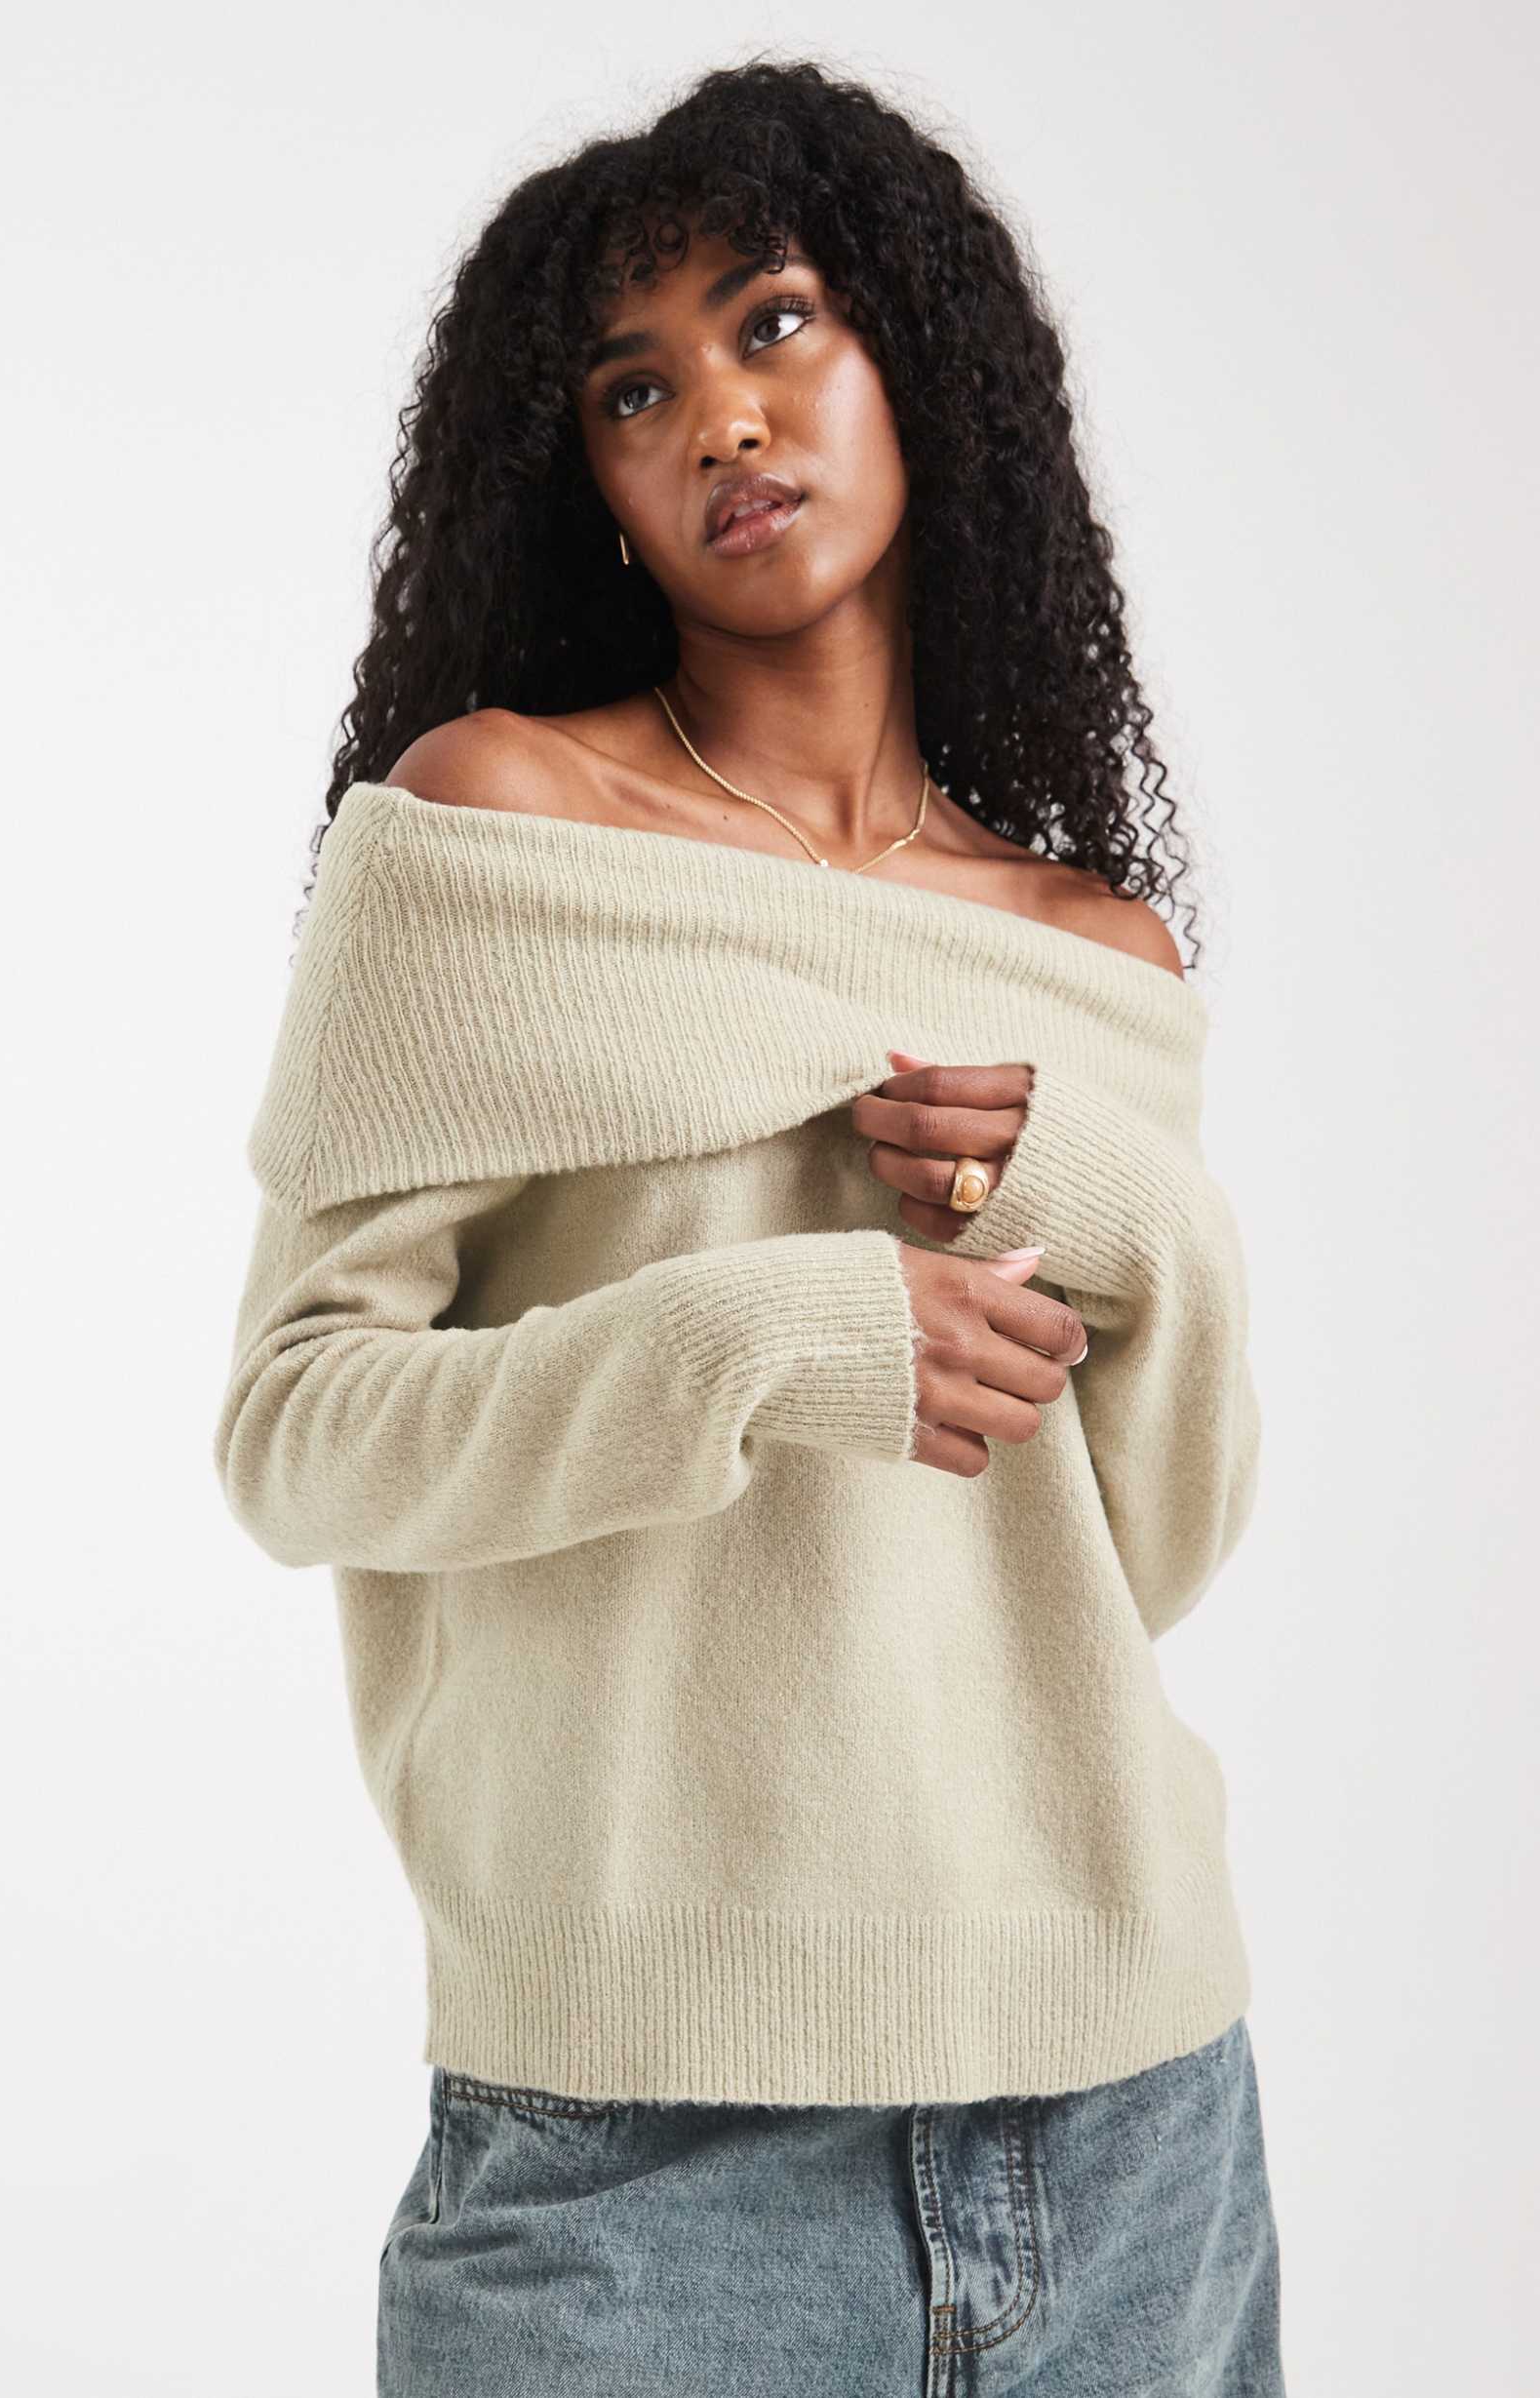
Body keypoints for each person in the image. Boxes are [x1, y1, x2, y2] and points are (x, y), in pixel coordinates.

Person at [214, 56, 1284, 2397]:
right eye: (637, 387)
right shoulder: (491, 830)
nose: (723, 414)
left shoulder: (1095, 950)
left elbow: (1159, 1545)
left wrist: (1109, 1199)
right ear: (587, 479)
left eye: (776, 322)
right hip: (632, 2155)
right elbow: (297, 1434)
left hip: (1132, 2119)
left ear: (917, 363)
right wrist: (774, 1336)